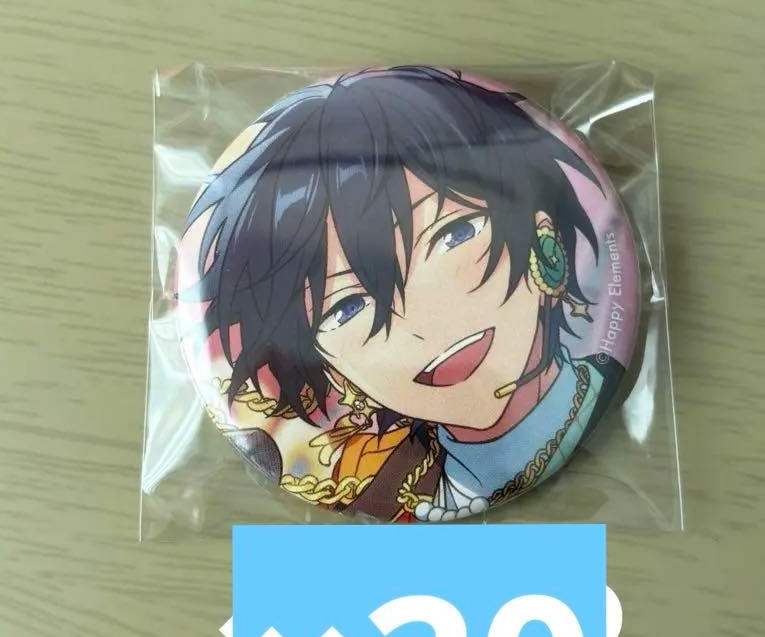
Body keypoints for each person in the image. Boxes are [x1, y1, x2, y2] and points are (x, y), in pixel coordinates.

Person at [181, 66, 626, 521]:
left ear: (538, 226)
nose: (423, 322)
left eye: (453, 234)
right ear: (324, 363)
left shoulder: (602, 383)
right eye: (346, 306)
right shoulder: (382, 485)